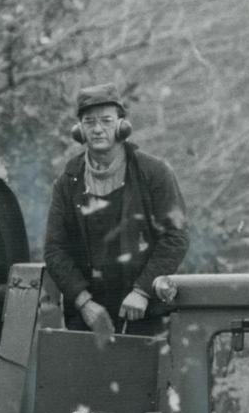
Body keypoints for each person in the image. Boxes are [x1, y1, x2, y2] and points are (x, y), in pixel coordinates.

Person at [44, 83, 189, 336]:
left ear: (122, 126)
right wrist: (84, 303)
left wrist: (143, 291)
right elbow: (55, 249)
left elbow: (175, 238)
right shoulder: (68, 181)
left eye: (106, 121)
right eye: (89, 122)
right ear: (79, 129)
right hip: (87, 319)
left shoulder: (154, 173)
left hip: (145, 313)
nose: (98, 129)